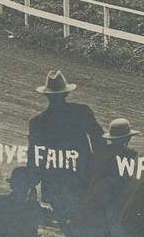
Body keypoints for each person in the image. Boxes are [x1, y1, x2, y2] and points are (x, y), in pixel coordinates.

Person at [27, 70, 104, 234]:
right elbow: (99, 138)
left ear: (47, 96)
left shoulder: (37, 122)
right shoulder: (81, 112)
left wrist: (31, 182)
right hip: (82, 178)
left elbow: (34, 157)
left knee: (67, 225)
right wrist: (97, 166)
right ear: (66, 93)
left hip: (54, 182)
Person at [78, 118, 138, 237]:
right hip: (116, 200)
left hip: (94, 199)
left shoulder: (100, 152)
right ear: (128, 138)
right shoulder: (131, 155)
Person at [0, 167, 49, 237]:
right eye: (21, 185)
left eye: (23, 185)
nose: (22, 188)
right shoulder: (32, 206)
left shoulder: (1, 202)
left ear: (12, 185)